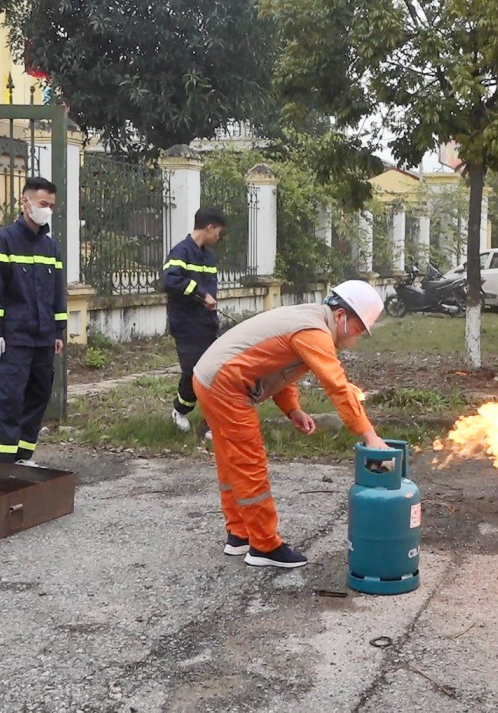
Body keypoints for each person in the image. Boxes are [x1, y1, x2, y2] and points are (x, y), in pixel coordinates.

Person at [192, 280, 390, 568]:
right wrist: (369, 436)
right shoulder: (314, 332)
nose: (357, 337)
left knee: (230, 459)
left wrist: (293, 410)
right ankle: (264, 546)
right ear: (340, 317)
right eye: (358, 329)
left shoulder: (308, 320)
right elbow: (338, 386)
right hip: (226, 384)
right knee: (249, 462)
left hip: (209, 378)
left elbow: (278, 367)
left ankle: (239, 534)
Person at [0, 177, 66, 466]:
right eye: (43, 204)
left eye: (51, 206)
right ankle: (2, 464)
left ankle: (22, 457)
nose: (48, 210)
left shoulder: (50, 247)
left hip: (42, 338)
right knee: (11, 399)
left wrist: (58, 330)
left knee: (38, 397)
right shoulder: (2, 241)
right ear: (25, 202)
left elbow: (57, 293)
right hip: (14, 338)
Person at [162, 208, 226, 439]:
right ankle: (180, 410)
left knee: (214, 372)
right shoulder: (180, 252)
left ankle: (211, 424)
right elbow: (171, 281)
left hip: (207, 323)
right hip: (186, 324)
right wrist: (200, 295)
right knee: (194, 372)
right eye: (218, 232)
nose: (218, 237)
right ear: (208, 227)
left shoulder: (209, 256)